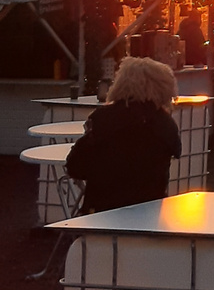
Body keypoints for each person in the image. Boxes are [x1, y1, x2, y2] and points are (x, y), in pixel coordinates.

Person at [66, 57, 182, 213]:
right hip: (149, 215)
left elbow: (75, 166)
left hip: (102, 214)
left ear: (121, 82)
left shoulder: (103, 118)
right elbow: (176, 152)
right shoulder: (166, 124)